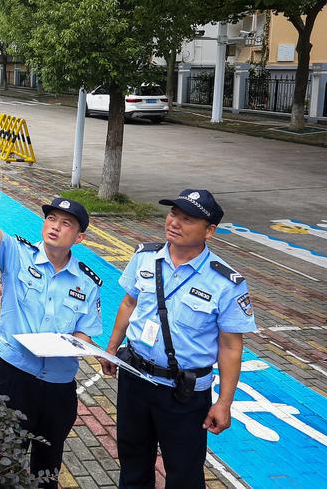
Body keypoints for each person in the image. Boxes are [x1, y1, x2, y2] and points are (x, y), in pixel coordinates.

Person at [0, 166, 102, 488]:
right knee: (4, 453)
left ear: (80, 237)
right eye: (51, 219)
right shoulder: (18, 254)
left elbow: (85, 332)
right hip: (16, 376)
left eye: (66, 224)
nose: (55, 227)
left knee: (48, 462)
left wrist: (78, 342)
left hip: (60, 386)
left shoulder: (88, 283)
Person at [99, 189, 256, 488]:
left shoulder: (226, 282)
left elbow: (230, 346)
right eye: (173, 214)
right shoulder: (145, 257)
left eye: (187, 219)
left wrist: (224, 403)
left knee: (184, 475)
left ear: (209, 231)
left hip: (183, 395)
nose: (175, 222)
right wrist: (110, 349)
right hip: (135, 380)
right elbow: (129, 304)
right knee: (132, 464)